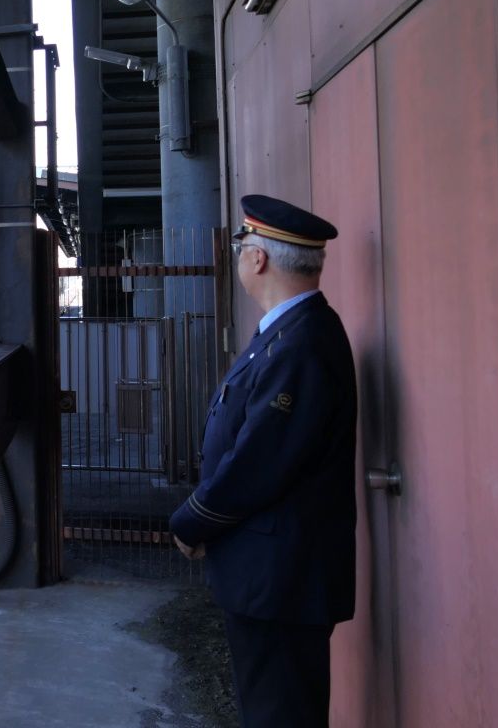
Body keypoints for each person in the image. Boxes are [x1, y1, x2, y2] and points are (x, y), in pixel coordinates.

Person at [168, 194, 357, 728]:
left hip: (282, 580)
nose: (239, 256)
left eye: (242, 245)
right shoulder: (288, 333)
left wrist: (192, 519)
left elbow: (260, 460)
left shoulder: (300, 343)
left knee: (279, 714)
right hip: (271, 575)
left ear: (258, 259)